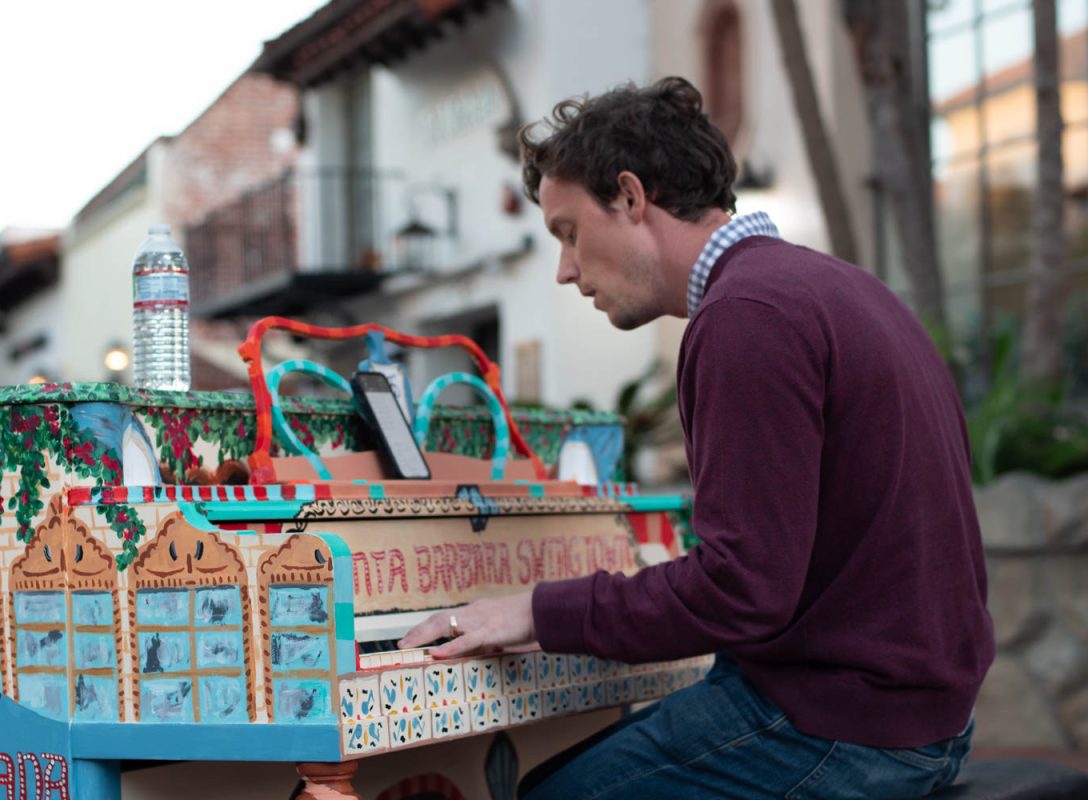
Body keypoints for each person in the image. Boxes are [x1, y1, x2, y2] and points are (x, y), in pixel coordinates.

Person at [400, 76, 994, 799]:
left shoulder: (748, 317)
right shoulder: (838, 288)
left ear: (629, 196)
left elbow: (741, 592)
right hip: (916, 713)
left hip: (845, 727)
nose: (565, 270)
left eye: (568, 232)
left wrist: (536, 609)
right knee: (550, 777)